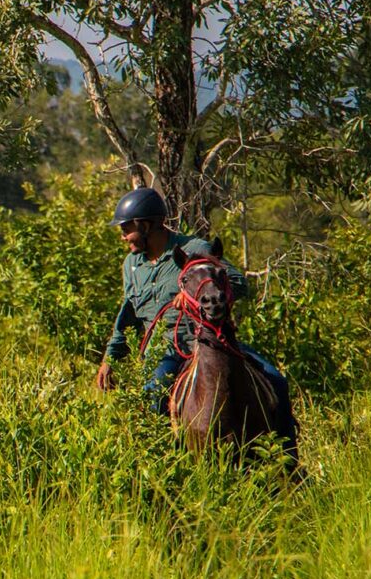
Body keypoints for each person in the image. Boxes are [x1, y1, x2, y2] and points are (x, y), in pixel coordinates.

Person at [95, 187, 298, 461]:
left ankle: (290, 463)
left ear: (147, 225)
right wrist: (110, 357)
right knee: (151, 396)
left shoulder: (195, 249)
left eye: (127, 228)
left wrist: (194, 295)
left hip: (211, 341)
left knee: (276, 381)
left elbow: (237, 282)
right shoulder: (132, 264)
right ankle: (166, 468)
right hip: (166, 350)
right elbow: (127, 313)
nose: (123, 236)